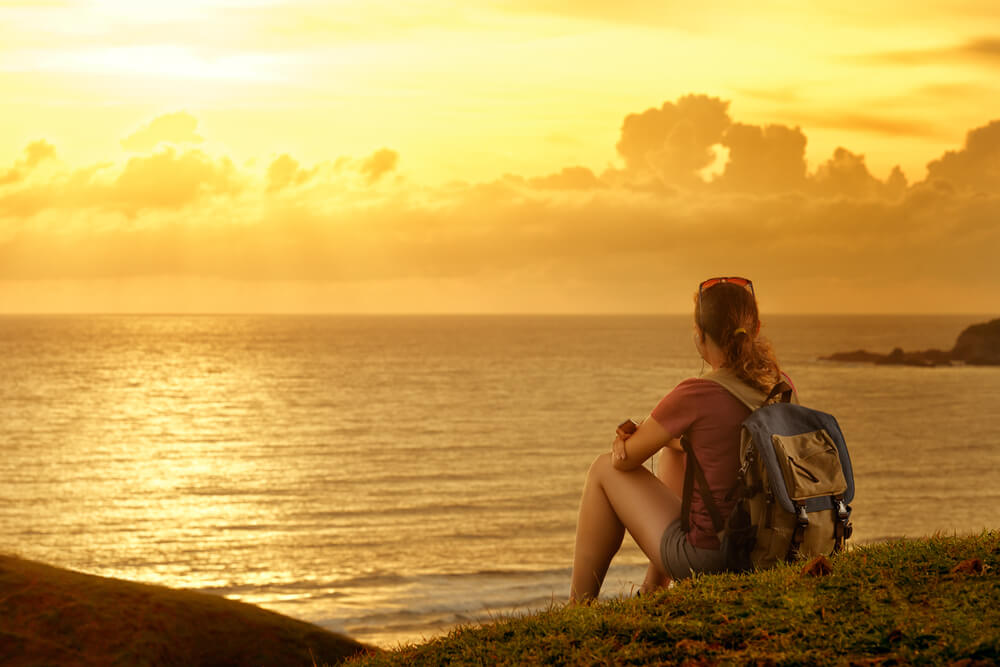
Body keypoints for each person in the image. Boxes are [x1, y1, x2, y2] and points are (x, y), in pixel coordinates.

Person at [569, 276, 790, 602]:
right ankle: (652, 591)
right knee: (678, 451)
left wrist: (623, 442)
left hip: (717, 560)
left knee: (603, 469)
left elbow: (625, 460)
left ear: (699, 336)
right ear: (756, 329)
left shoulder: (696, 393)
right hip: (775, 549)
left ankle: (577, 606)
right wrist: (672, 439)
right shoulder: (780, 385)